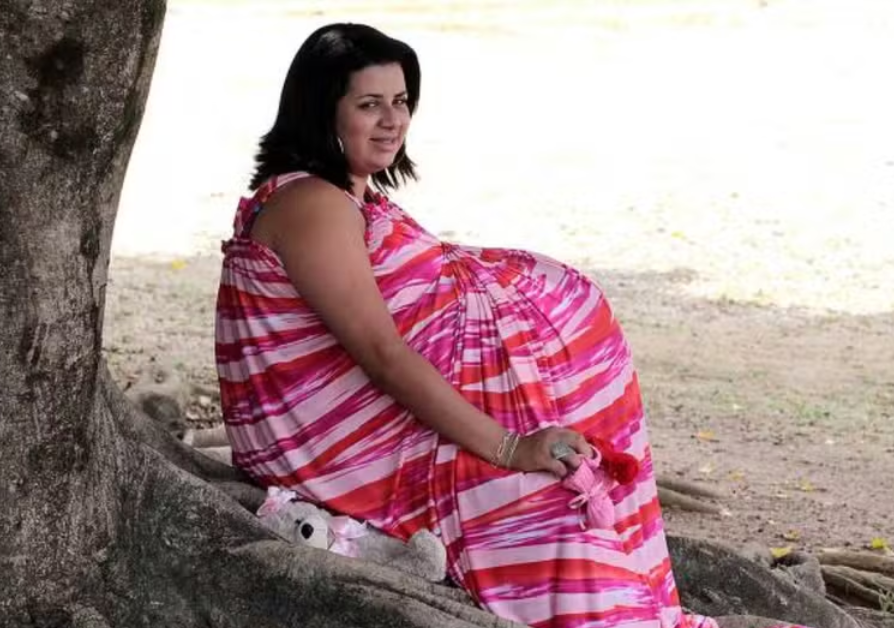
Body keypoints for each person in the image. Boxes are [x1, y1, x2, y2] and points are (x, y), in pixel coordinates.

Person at [215, 23, 805, 628]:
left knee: (565, 481)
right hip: (337, 450)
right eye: (370, 104)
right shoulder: (313, 204)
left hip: (374, 432)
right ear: (321, 111)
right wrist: (509, 446)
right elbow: (381, 352)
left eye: (401, 101)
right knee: (544, 499)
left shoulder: (345, 194)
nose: (393, 119)